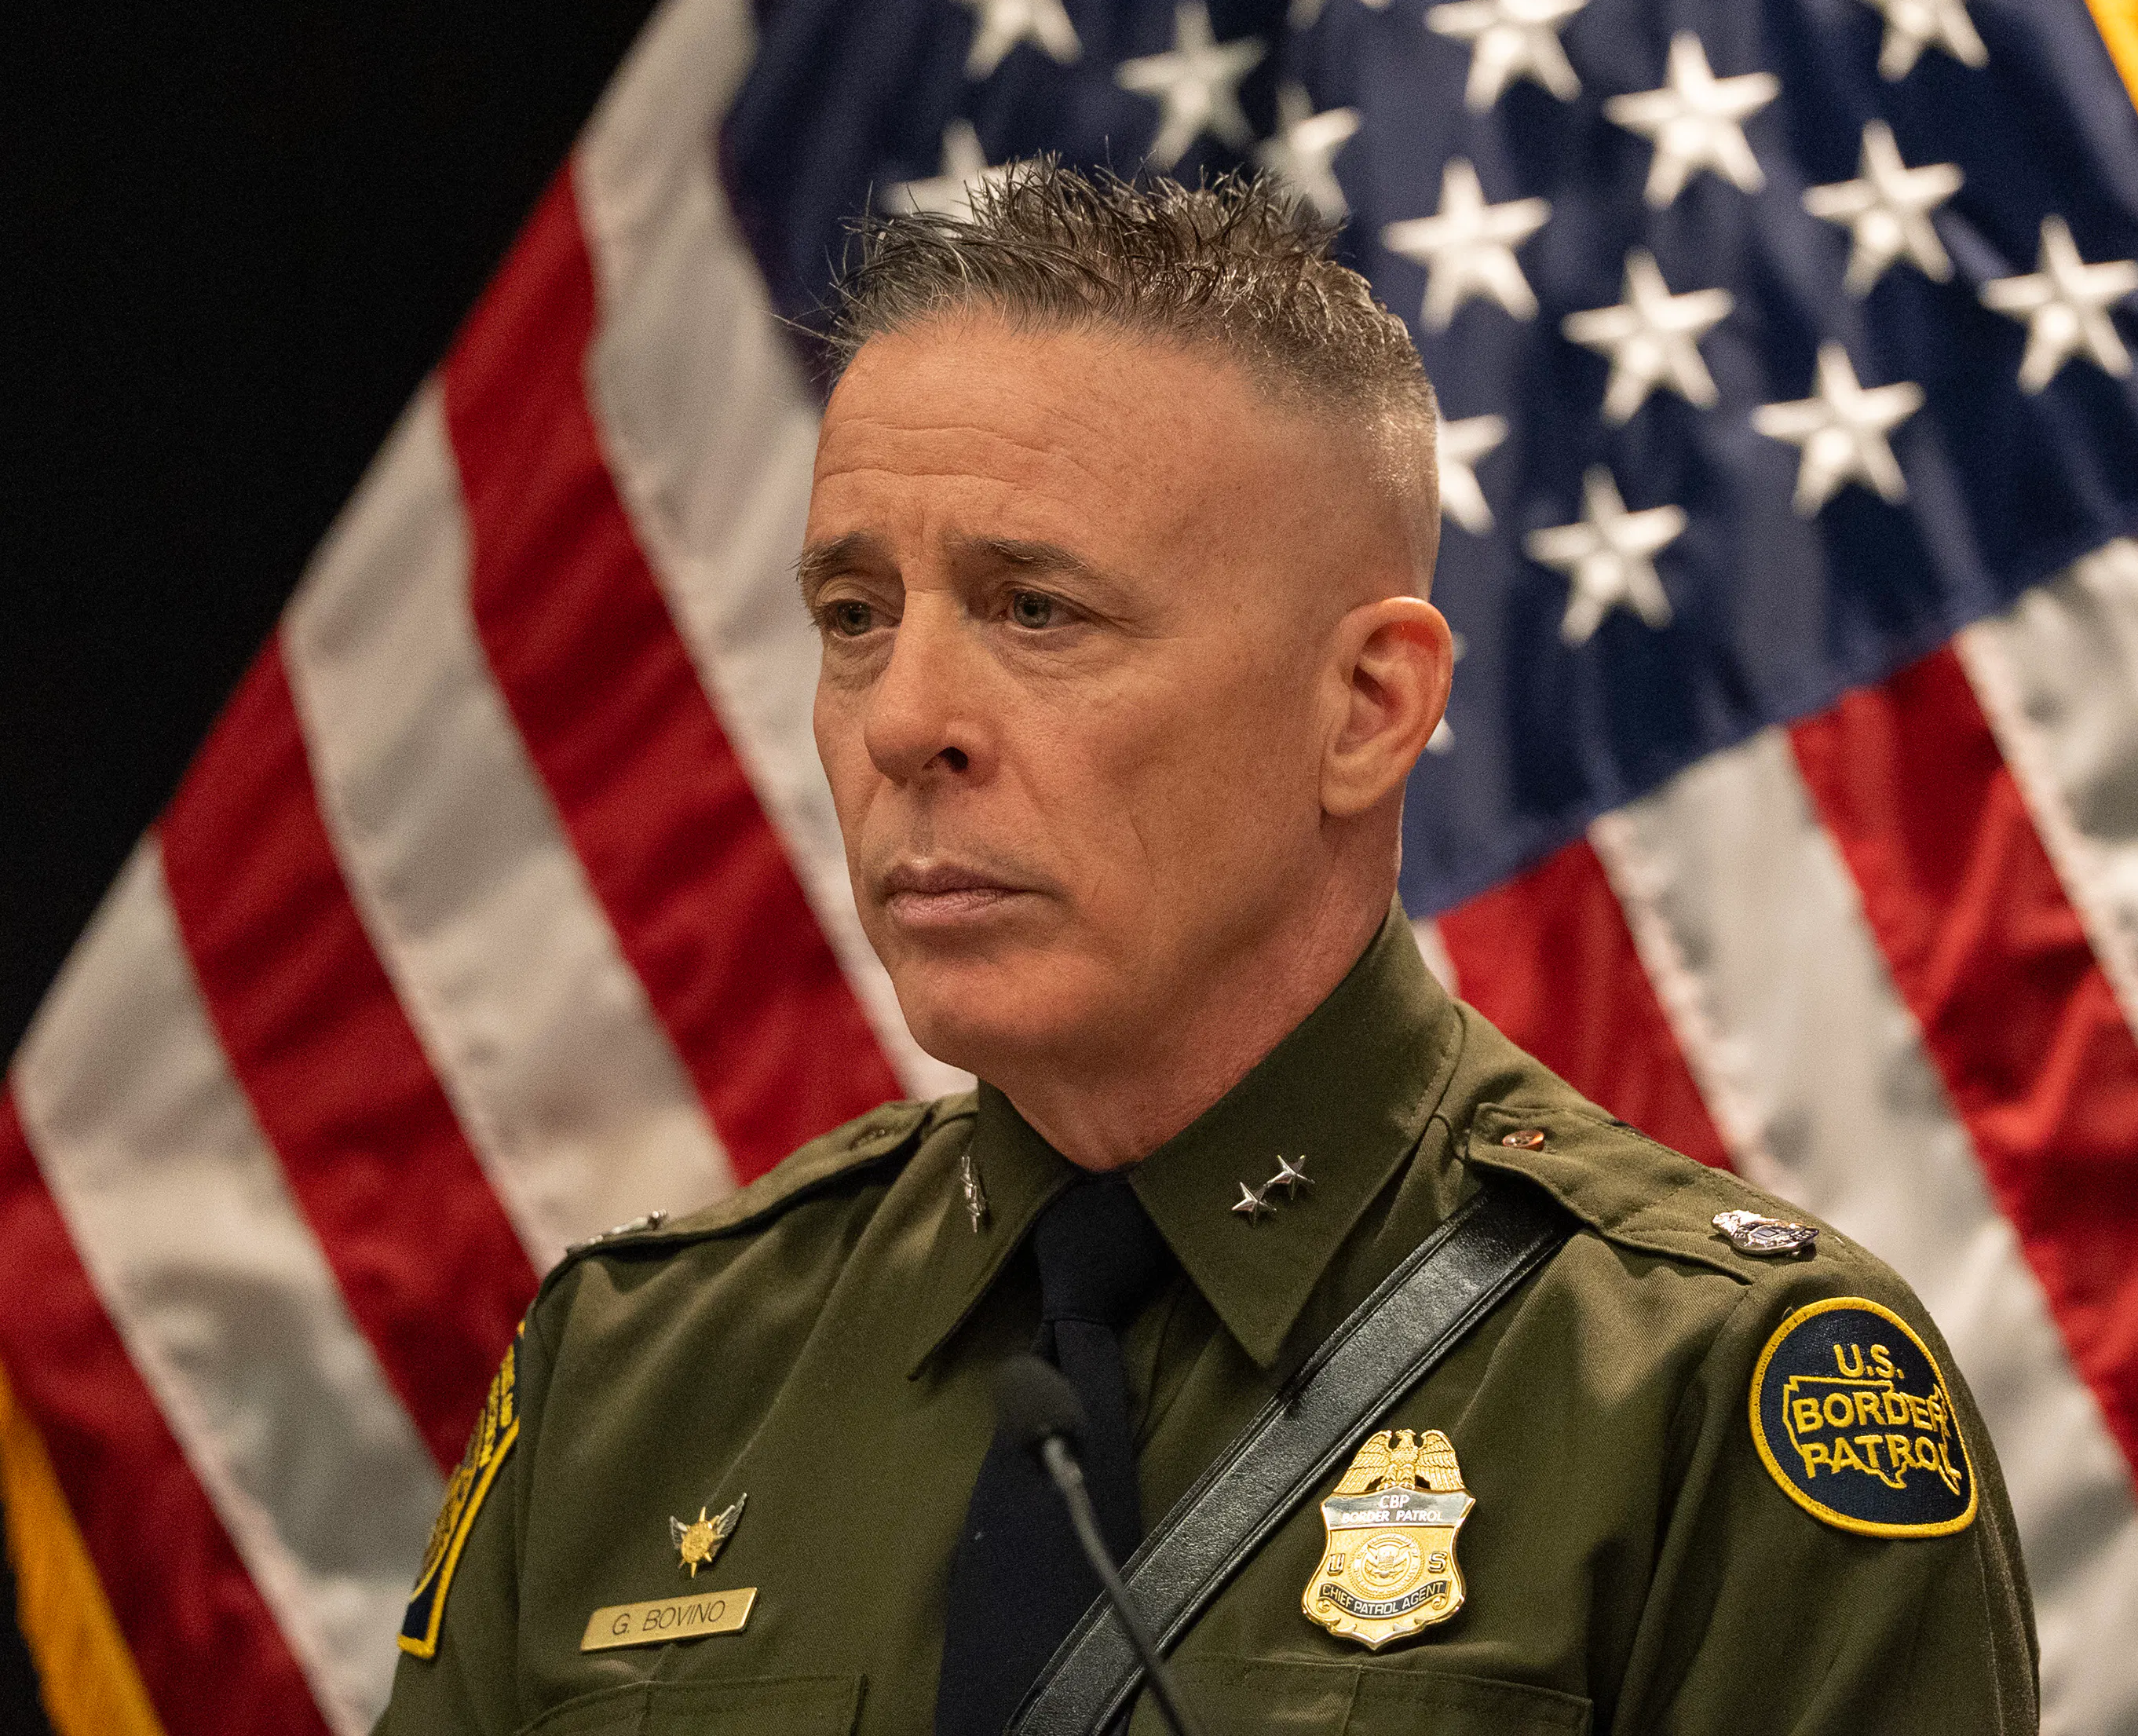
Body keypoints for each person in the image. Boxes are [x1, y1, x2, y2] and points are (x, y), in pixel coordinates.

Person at [377, 163, 2037, 1736]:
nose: (905, 721)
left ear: (1366, 708)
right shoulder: (641, 1374)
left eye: (1039, 611)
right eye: (856, 616)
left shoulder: (1699, 1397)